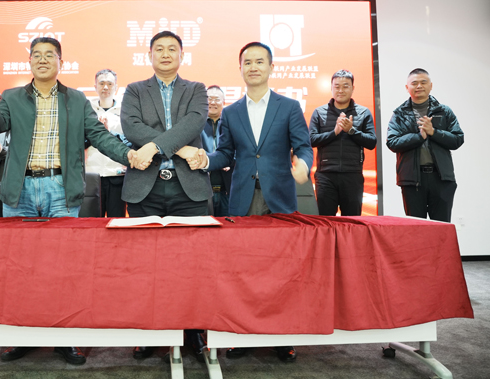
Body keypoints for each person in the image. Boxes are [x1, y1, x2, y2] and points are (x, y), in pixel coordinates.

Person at [0, 37, 141, 366]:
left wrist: (129, 155)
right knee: (19, 267)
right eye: (36, 55)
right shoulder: (12, 97)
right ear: (29, 62)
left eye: (49, 55)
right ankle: (22, 336)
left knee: (64, 267)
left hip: (60, 190)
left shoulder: (76, 99)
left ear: (61, 62)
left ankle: (65, 337)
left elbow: (99, 136)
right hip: (20, 191)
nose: (42, 60)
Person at [196, 42, 313, 361]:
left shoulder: (289, 107)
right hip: (243, 199)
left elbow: (303, 147)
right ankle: (243, 335)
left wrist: (304, 164)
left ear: (271, 67)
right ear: (241, 69)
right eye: (247, 62)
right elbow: (225, 153)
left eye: (260, 61)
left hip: (279, 197)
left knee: (282, 269)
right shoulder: (231, 112)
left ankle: (282, 336)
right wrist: (205, 160)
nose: (253, 67)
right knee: (244, 270)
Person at [120, 31, 211, 362]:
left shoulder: (197, 89)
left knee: (192, 266)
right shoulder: (134, 90)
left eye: (172, 48)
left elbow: (194, 123)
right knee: (146, 266)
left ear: (182, 55)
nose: (166, 53)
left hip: (189, 191)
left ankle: (194, 331)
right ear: (149, 55)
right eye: (159, 49)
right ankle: (151, 331)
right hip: (146, 188)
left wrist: (157, 145)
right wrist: (180, 149)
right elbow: (131, 127)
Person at [387, 68, 464, 222]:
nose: (419, 86)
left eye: (423, 82)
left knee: (441, 227)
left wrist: (433, 132)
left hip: (441, 179)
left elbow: (458, 139)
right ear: (407, 87)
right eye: (414, 83)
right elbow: (392, 142)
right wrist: (419, 137)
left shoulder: (444, 111)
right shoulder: (399, 114)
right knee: (416, 228)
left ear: (431, 85)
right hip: (412, 181)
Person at [309, 70, 377, 216]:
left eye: (345, 86)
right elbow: (311, 140)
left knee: (352, 223)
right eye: (337, 86)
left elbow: (372, 142)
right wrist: (334, 132)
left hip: (352, 176)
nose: (341, 90)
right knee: (326, 222)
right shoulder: (319, 112)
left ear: (353, 88)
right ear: (331, 88)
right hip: (325, 176)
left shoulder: (363, 112)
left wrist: (351, 131)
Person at [85, 69, 128, 217]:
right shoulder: (87, 110)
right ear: (95, 86)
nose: (105, 87)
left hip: (117, 174)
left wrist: (109, 133)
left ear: (116, 87)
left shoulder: (125, 111)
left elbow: (129, 142)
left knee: (116, 220)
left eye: (110, 84)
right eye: (101, 83)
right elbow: (79, 140)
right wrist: (96, 134)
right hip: (91, 174)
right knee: (90, 222)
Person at [200, 85, 232, 216]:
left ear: (223, 102)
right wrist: (217, 161)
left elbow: (240, 147)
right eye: (209, 98)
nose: (213, 102)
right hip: (202, 189)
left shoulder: (231, 123)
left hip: (227, 190)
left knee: (229, 225)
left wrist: (228, 159)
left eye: (217, 99)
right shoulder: (195, 124)